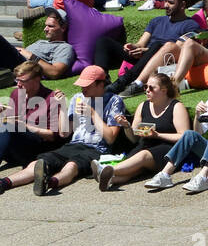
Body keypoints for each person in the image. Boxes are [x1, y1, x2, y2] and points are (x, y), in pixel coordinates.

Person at [0, 65, 122, 196]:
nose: (82, 88)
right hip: (73, 144)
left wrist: (92, 114)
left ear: (100, 84)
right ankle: (4, 182)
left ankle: (50, 182)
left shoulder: (114, 101)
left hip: (97, 148)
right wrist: (63, 106)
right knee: (39, 163)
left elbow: (110, 138)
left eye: (87, 85)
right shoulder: (78, 98)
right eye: (82, 85)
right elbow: (65, 133)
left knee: (72, 166)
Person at [92, 73, 191, 190]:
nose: (147, 90)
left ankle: (107, 169)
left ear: (164, 90)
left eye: (151, 88)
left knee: (143, 156)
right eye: (145, 87)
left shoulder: (176, 107)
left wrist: (158, 135)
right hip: (145, 146)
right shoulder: (142, 106)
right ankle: (109, 179)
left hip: (168, 149)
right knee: (135, 170)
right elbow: (134, 138)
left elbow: (184, 136)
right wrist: (127, 126)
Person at [104, 0, 198, 96]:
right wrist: (133, 47)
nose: (166, 5)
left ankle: (126, 82)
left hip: (163, 61)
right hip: (143, 57)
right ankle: (101, 80)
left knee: (158, 45)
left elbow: (176, 48)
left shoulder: (191, 25)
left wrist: (145, 51)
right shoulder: (156, 21)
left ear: (182, 5)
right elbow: (141, 43)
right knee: (104, 42)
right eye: (165, 1)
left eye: (171, 3)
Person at [0, 61, 67, 167]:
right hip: (15, 148)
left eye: (23, 81)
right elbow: (10, 119)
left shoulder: (51, 99)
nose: (18, 84)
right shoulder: (17, 93)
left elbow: (52, 136)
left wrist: (24, 126)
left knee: (6, 126)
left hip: (36, 150)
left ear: (37, 79)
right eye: (17, 80)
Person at [13, 10, 75, 80]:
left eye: (50, 26)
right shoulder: (40, 42)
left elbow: (55, 72)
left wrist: (31, 56)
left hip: (19, 66)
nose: (45, 29)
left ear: (63, 28)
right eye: (46, 25)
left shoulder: (65, 47)